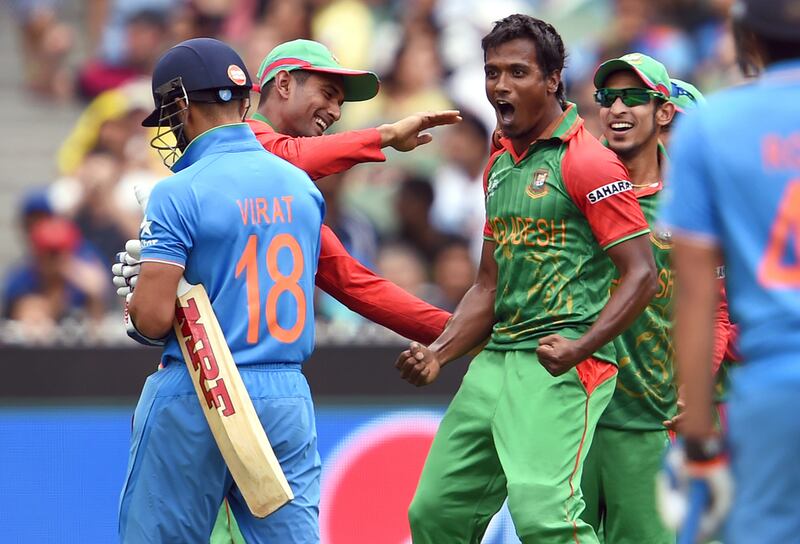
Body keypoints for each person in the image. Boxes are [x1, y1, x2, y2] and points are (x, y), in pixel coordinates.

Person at [394, 14, 657, 543]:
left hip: (558, 365)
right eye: (493, 73)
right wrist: (440, 353)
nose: (500, 86)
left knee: (543, 516)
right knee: (434, 514)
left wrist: (582, 346)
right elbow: (487, 286)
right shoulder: (500, 164)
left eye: (518, 72)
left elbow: (642, 273)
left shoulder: (589, 162)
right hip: (495, 361)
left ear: (553, 79)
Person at [117, 37, 325, 543]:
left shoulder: (177, 192)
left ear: (183, 103)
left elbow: (151, 320)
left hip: (200, 386)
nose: (169, 127)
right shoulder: (301, 187)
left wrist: (138, 297)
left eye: (169, 113)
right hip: (286, 394)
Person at [659, 0, 800, 542]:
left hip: (773, 390)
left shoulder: (709, 127)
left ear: (748, 39)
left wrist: (697, 439)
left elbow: (696, 296)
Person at [580, 53, 731, 544]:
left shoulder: (700, 204)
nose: (620, 108)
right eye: (609, 98)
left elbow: (718, 311)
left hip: (655, 416)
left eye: (637, 100)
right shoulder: (574, 176)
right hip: (570, 407)